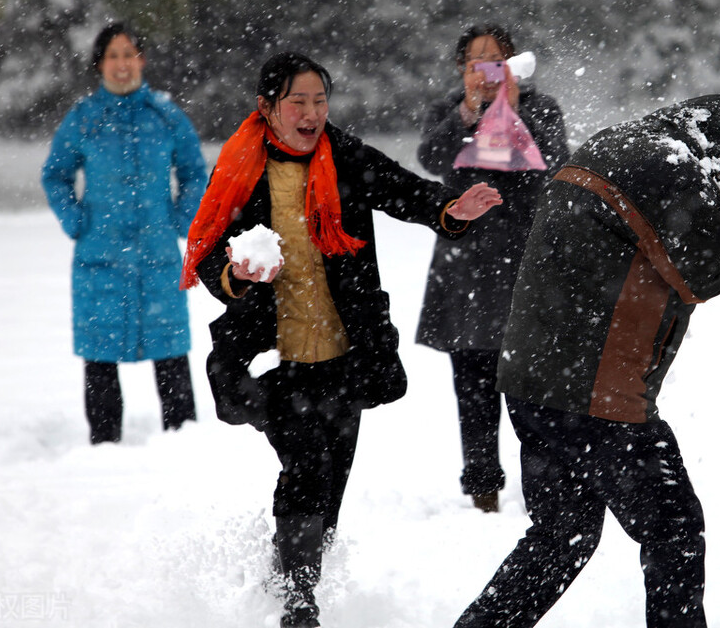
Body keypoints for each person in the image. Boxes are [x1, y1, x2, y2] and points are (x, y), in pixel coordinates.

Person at [180, 51, 500, 628]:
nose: (310, 113)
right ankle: (298, 606)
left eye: (319, 101)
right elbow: (209, 261)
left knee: (330, 485)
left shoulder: (343, 155)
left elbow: (405, 190)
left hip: (345, 357)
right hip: (270, 359)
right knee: (305, 465)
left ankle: (287, 579)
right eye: (297, 102)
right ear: (267, 109)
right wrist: (237, 275)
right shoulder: (240, 169)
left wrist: (451, 207)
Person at [454, 94, 720, 628]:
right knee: (673, 530)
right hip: (597, 394)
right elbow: (708, 270)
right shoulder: (670, 166)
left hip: (534, 381)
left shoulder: (615, 143)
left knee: (561, 536)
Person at [415, 23, 569, 513]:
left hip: (525, 259)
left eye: (495, 61)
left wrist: (514, 108)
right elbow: (432, 159)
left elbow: (556, 163)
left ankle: (545, 489)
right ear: (462, 70)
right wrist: (468, 112)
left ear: (514, 64)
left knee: (532, 386)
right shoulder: (449, 111)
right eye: (475, 63)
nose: (486, 73)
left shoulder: (539, 107)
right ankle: (483, 488)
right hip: (466, 265)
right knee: (473, 382)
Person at [42, 22, 206, 445]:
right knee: (100, 355)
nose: (121, 63)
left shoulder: (166, 115)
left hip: (158, 256)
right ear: (100, 63)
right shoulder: (83, 118)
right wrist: (77, 221)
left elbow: (193, 172)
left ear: (142, 60)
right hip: (100, 259)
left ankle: (183, 442)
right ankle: (104, 446)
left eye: (129, 53)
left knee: (170, 350)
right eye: (113, 55)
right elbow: (56, 175)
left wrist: (179, 220)